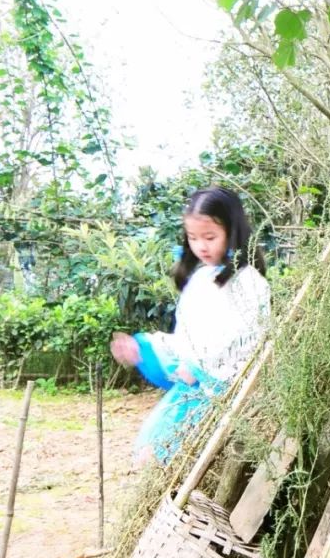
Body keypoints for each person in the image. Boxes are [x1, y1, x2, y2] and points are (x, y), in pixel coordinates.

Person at [111, 187, 271, 466]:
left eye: (210, 237)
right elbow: (186, 338)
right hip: (194, 387)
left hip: (224, 395)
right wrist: (144, 348)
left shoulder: (250, 283)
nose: (201, 247)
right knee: (149, 456)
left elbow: (243, 340)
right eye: (193, 238)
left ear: (232, 232)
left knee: (165, 458)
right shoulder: (200, 280)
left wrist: (198, 367)